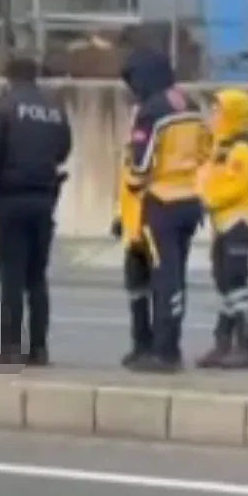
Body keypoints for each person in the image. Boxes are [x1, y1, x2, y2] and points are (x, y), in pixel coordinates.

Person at [0, 56, 71, 367]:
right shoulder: (54, 110)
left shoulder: (3, 109)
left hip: (10, 201)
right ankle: (39, 349)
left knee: (11, 278)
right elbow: (65, 149)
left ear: (8, 78)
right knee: (37, 278)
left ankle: (10, 346)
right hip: (44, 200)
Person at [117, 47, 210, 374]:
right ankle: (157, 346)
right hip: (190, 202)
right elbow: (206, 152)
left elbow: (140, 168)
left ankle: (164, 352)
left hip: (159, 204)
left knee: (164, 278)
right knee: (172, 275)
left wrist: (129, 186)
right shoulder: (192, 105)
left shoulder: (151, 112)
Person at [195, 88, 248, 369]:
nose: (213, 115)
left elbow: (235, 185)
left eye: (217, 110)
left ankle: (245, 346)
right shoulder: (220, 147)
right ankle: (223, 343)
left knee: (236, 280)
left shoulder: (243, 149)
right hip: (222, 223)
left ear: (233, 114)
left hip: (239, 222)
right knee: (223, 281)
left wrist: (207, 198)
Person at [111, 136, 154, 367]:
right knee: (136, 291)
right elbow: (128, 192)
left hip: (150, 230)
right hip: (133, 231)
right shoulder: (132, 150)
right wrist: (121, 218)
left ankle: (155, 346)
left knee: (157, 291)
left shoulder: (154, 150)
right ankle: (140, 344)